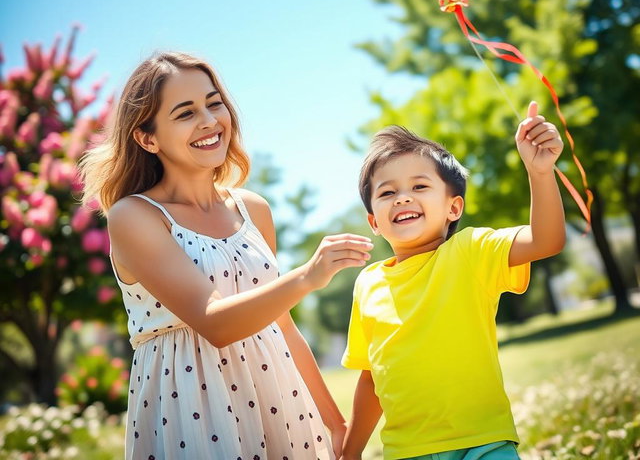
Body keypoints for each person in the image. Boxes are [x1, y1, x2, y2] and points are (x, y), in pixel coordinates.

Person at [80, 51, 373, 460]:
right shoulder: (135, 216)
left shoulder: (254, 209)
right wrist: (307, 275)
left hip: (280, 403)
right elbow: (214, 323)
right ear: (148, 139)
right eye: (185, 113)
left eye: (213, 103)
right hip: (191, 411)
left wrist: (336, 425)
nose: (208, 121)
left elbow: (283, 328)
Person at [339, 102, 566, 460]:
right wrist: (349, 453)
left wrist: (540, 173)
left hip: (485, 442)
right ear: (373, 222)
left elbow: (547, 239)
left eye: (419, 185)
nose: (403, 197)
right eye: (387, 192)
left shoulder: (471, 250)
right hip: (406, 451)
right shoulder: (367, 284)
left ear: (453, 208)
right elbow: (371, 379)